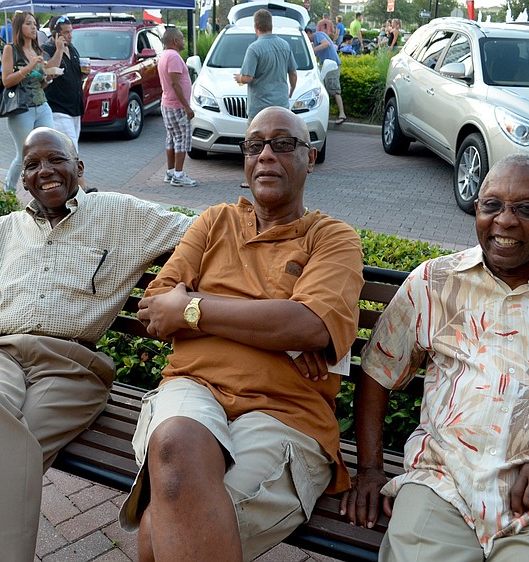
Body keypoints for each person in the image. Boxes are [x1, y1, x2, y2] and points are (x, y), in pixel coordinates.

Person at [0, 127, 194, 562]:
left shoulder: (123, 215)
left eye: (56, 159)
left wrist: (190, 290)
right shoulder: (5, 229)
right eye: (32, 164)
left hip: (71, 367)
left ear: (78, 167)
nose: (44, 171)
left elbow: (203, 231)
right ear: (22, 177)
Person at [341, 153, 529, 562]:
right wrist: (370, 470)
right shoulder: (433, 282)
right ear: (477, 209)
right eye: (492, 205)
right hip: (443, 483)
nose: (505, 220)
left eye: (526, 208)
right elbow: (379, 370)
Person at [119, 106, 364, 561]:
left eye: (283, 144)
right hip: (192, 389)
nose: (266, 155)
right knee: (175, 444)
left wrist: (190, 309)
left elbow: (307, 325)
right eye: (255, 145)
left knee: (164, 521)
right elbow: (154, 311)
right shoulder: (214, 222)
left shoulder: (332, 238)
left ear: (310, 158)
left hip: (285, 413)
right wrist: (272, 329)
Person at [234, 8, 298, 187]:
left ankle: (252, 179)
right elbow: (293, 73)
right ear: (271, 25)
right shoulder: (285, 45)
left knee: (254, 144)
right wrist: (291, 91)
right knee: (280, 143)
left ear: (256, 26)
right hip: (281, 105)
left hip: (259, 107)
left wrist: (239, 78)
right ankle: (283, 176)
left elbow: (247, 77)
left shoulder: (254, 48)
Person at [0, 11, 54, 193]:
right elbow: (6, 80)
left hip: (42, 105)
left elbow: (40, 83)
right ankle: (8, 191)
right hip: (21, 109)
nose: (34, 28)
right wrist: (29, 66)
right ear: (19, 27)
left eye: (35, 24)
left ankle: (43, 191)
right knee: (25, 154)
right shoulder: (11, 49)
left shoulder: (39, 50)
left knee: (49, 147)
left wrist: (48, 78)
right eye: (29, 24)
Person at [42, 14, 83, 185]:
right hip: (59, 108)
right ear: (55, 34)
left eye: (70, 32)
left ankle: (71, 185)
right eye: (65, 32)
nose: (69, 35)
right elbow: (49, 70)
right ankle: (79, 187)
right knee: (71, 150)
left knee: (72, 149)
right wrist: (58, 49)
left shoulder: (72, 48)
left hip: (75, 107)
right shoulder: (47, 49)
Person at [158, 28, 197, 187]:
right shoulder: (173, 57)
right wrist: (187, 107)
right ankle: (178, 175)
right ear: (174, 41)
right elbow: (175, 84)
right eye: (181, 38)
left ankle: (171, 172)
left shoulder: (165, 55)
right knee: (181, 139)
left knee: (172, 139)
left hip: (168, 103)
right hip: (177, 106)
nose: (183, 41)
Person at [306, 27, 346, 125]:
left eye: (306, 35)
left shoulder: (318, 35)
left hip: (332, 65)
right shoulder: (314, 41)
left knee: (334, 89)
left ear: (309, 32)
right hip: (325, 65)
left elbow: (326, 43)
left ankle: (342, 114)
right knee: (325, 89)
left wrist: (313, 50)